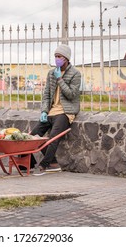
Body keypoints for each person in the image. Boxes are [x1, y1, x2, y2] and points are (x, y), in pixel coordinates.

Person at [31, 44, 81, 176]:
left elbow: (71, 94)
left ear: (66, 58)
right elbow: (47, 94)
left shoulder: (75, 74)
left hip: (66, 112)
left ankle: (44, 165)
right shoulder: (51, 73)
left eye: (59, 57)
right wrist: (44, 111)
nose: (57, 59)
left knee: (53, 139)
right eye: (55, 56)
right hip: (52, 111)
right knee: (33, 136)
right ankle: (33, 163)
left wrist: (60, 79)